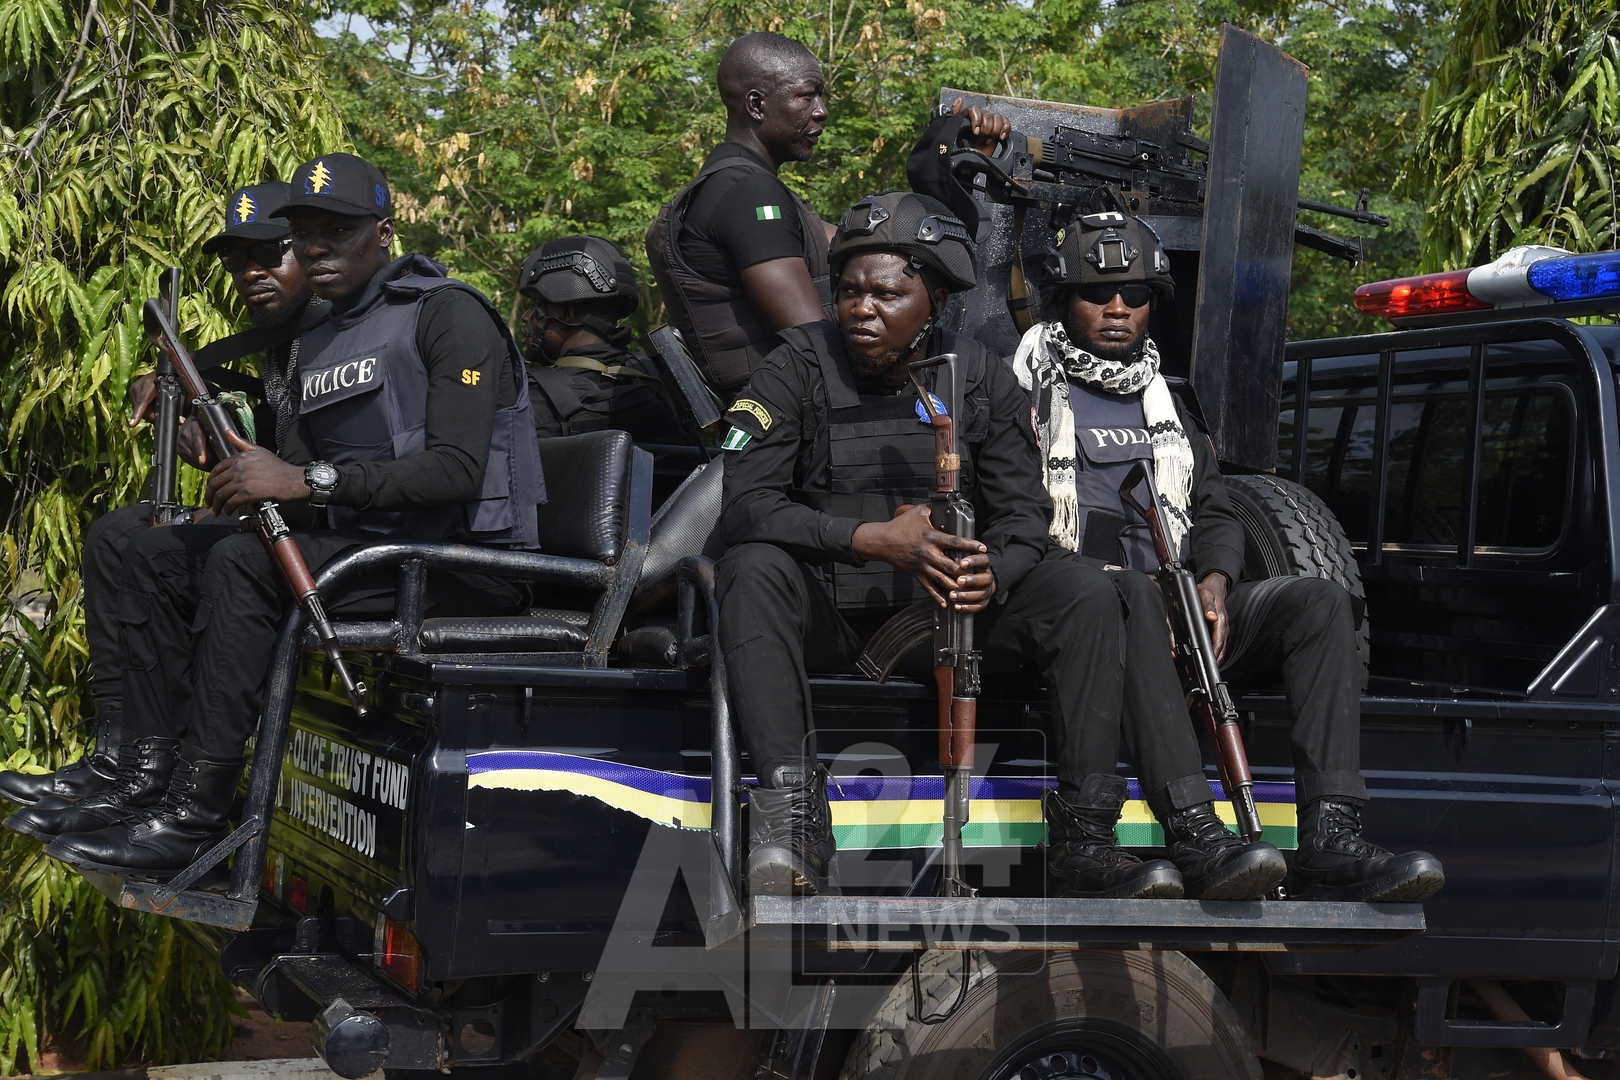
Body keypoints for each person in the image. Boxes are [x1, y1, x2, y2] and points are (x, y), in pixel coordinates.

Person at [716, 190, 1281, 902]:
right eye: (850, 292)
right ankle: (794, 822)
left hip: (952, 611)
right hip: (833, 612)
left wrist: (994, 570)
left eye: (887, 294)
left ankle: (1085, 839)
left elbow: (1024, 516)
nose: (862, 309)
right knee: (751, 566)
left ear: (936, 299)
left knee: (1087, 587)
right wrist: (868, 539)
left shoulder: (980, 375)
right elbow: (746, 503)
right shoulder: (795, 364)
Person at [35, 152, 546, 879]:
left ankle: (197, 815)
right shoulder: (324, 338)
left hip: (458, 563)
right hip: (365, 548)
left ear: (383, 232)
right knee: (143, 547)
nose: (316, 248)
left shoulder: (448, 313)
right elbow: (294, 478)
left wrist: (304, 479)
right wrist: (234, 470)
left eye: (337, 231)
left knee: (242, 564)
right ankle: (136, 774)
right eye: (304, 233)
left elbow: (457, 470)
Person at [1010, 207, 1445, 903]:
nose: (1118, 308)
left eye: (1135, 294)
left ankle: (1331, 835)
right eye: (1097, 293)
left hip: (1186, 608)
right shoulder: (1024, 397)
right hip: (1095, 614)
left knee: (1320, 602)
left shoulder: (1171, 403)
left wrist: (1213, 581)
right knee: (1127, 597)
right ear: (1064, 301)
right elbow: (1016, 523)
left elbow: (1214, 508)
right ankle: (1195, 832)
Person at [0, 181, 320, 816]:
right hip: (284, 511)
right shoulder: (279, 340)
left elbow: (329, 457)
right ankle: (124, 756)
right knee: (115, 536)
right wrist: (186, 396)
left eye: (271, 254)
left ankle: (185, 789)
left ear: (311, 249)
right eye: (238, 261)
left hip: (324, 525)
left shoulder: (344, 331)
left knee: (163, 551)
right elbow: (271, 426)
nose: (251, 273)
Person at [647, 33, 1007, 398]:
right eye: (807, 96)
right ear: (756, 105)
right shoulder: (748, 192)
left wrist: (947, 159)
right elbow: (815, 345)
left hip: (799, 403)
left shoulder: (735, 186)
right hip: (796, 414)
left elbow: (888, 242)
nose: (821, 111)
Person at [518, 235, 685, 445]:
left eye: (533, 306)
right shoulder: (661, 377)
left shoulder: (531, 398)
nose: (526, 317)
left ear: (566, 314)